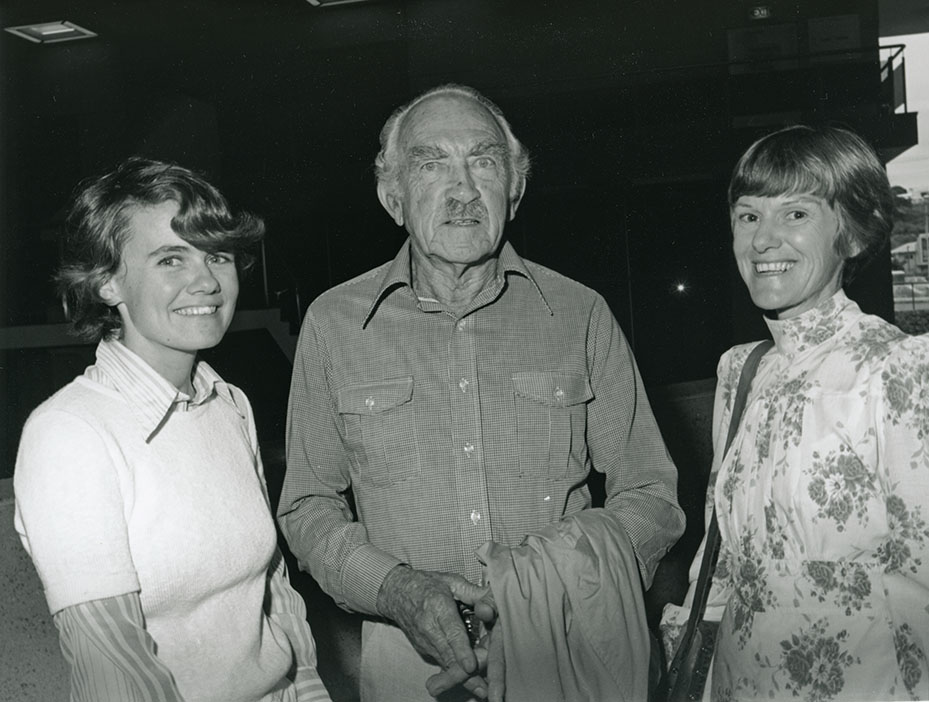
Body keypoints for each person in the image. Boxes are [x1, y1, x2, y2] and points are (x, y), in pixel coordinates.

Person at [278, 83, 686, 701]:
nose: (463, 189)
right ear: (393, 197)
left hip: (563, 660)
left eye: (484, 160)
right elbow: (308, 505)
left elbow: (651, 495)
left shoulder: (580, 315)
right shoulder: (335, 325)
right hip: (408, 672)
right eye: (431, 162)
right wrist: (397, 589)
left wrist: (545, 590)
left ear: (514, 190)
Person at [660, 125, 929, 700]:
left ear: (853, 232)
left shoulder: (905, 367)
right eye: (748, 216)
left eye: (795, 214)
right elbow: (720, 561)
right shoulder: (741, 372)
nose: (763, 239)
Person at [13, 157, 332, 702]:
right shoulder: (69, 434)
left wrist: (309, 689)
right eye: (170, 259)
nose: (206, 281)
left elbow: (272, 590)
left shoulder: (228, 405)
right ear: (108, 281)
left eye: (217, 255)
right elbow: (114, 669)